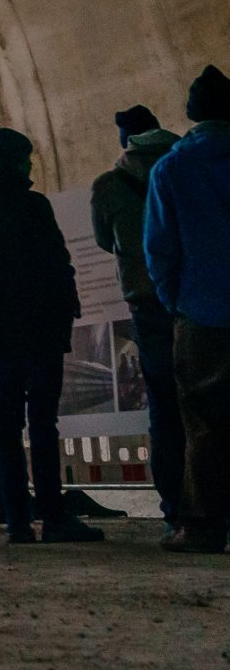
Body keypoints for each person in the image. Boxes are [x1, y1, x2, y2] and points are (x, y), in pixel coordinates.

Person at [0, 127, 103, 544]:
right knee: (42, 422)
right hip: (39, 331)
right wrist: (64, 312)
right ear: (20, 162)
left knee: (4, 426)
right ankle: (54, 516)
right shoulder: (33, 204)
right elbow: (57, 263)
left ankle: (17, 521)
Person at [145, 64, 230, 554]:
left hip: (202, 312)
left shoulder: (172, 168)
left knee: (204, 422)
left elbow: (160, 249)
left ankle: (201, 526)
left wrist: (176, 299)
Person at [92, 105, 184, 536]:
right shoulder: (188, 166)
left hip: (146, 302)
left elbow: (103, 240)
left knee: (164, 406)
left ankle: (176, 508)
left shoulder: (109, 185)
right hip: (201, 300)